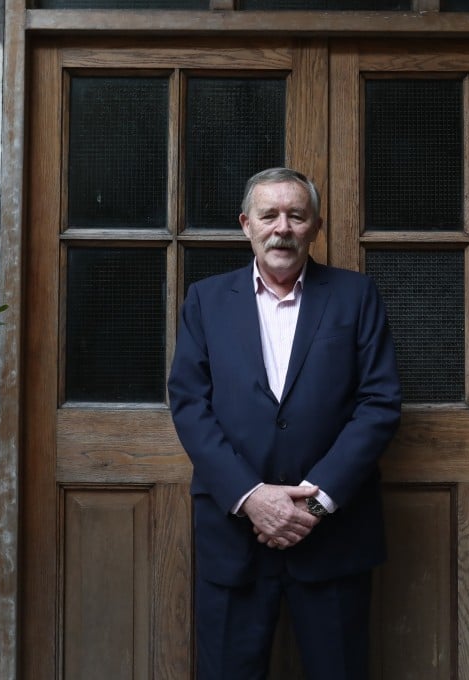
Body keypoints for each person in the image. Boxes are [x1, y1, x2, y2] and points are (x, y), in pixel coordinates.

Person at [167, 167, 402, 679]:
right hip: (233, 537)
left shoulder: (356, 297)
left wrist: (315, 503)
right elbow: (189, 404)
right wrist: (252, 497)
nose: (283, 228)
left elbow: (379, 403)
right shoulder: (205, 301)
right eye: (269, 215)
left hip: (333, 538)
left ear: (315, 226)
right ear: (246, 224)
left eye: (296, 216)